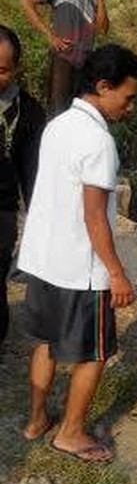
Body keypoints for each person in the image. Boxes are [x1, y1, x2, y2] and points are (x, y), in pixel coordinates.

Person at [18, 44, 137, 456]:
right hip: (79, 268)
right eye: (128, 97)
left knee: (46, 342)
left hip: (43, 260)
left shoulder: (58, 125)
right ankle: (70, 433)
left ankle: (37, 420)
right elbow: (94, 217)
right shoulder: (98, 141)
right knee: (94, 353)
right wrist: (117, 273)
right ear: (104, 86)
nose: (130, 107)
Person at [21, 0, 110, 117]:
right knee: (58, 113)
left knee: (81, 114)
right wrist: (50, 35)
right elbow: (27, 1)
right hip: (63, 59)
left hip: (85, 62)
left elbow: (103, 29)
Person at [0, 26, 46, 347]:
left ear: (17, 69)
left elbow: (33, 176)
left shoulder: (28, 112)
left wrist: (38, 228)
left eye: (2, 70)